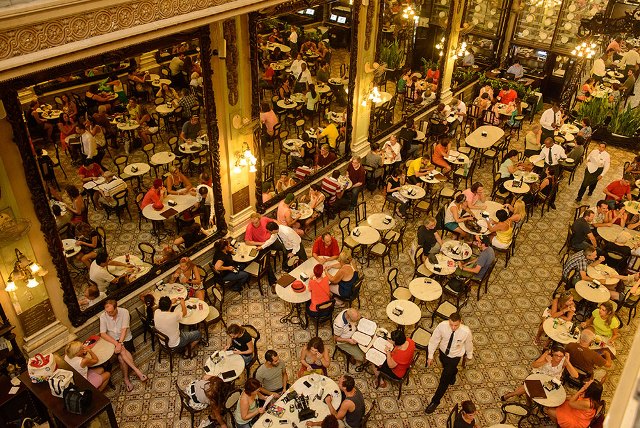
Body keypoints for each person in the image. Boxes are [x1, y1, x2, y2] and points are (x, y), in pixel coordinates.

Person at [99, 300, 147, 392]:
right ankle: (136, 371)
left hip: (125, 338)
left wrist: (120, 343)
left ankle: (126, 379)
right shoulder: (103, 316)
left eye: (111, 311)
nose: (109, 313)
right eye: (107, 311)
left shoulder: (124, 312)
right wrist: (117, 344)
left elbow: (124, 330)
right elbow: (103, 334)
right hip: (113, 340)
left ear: (116, 308)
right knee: (122, 354)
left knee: (121, 359)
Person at [500, 345, 578, 401]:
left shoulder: (564, 360)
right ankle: (512, 394)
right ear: (552, 353)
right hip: (539, 374)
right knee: (528, 387)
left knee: (549, 396)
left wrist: (567, 361)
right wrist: (545, 361)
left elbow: (575, 375)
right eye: (556, 355)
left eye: (560, 356)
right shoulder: (547, 354)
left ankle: (516, 394)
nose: (558, 358)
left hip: (552, 380)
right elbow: (534, 365)